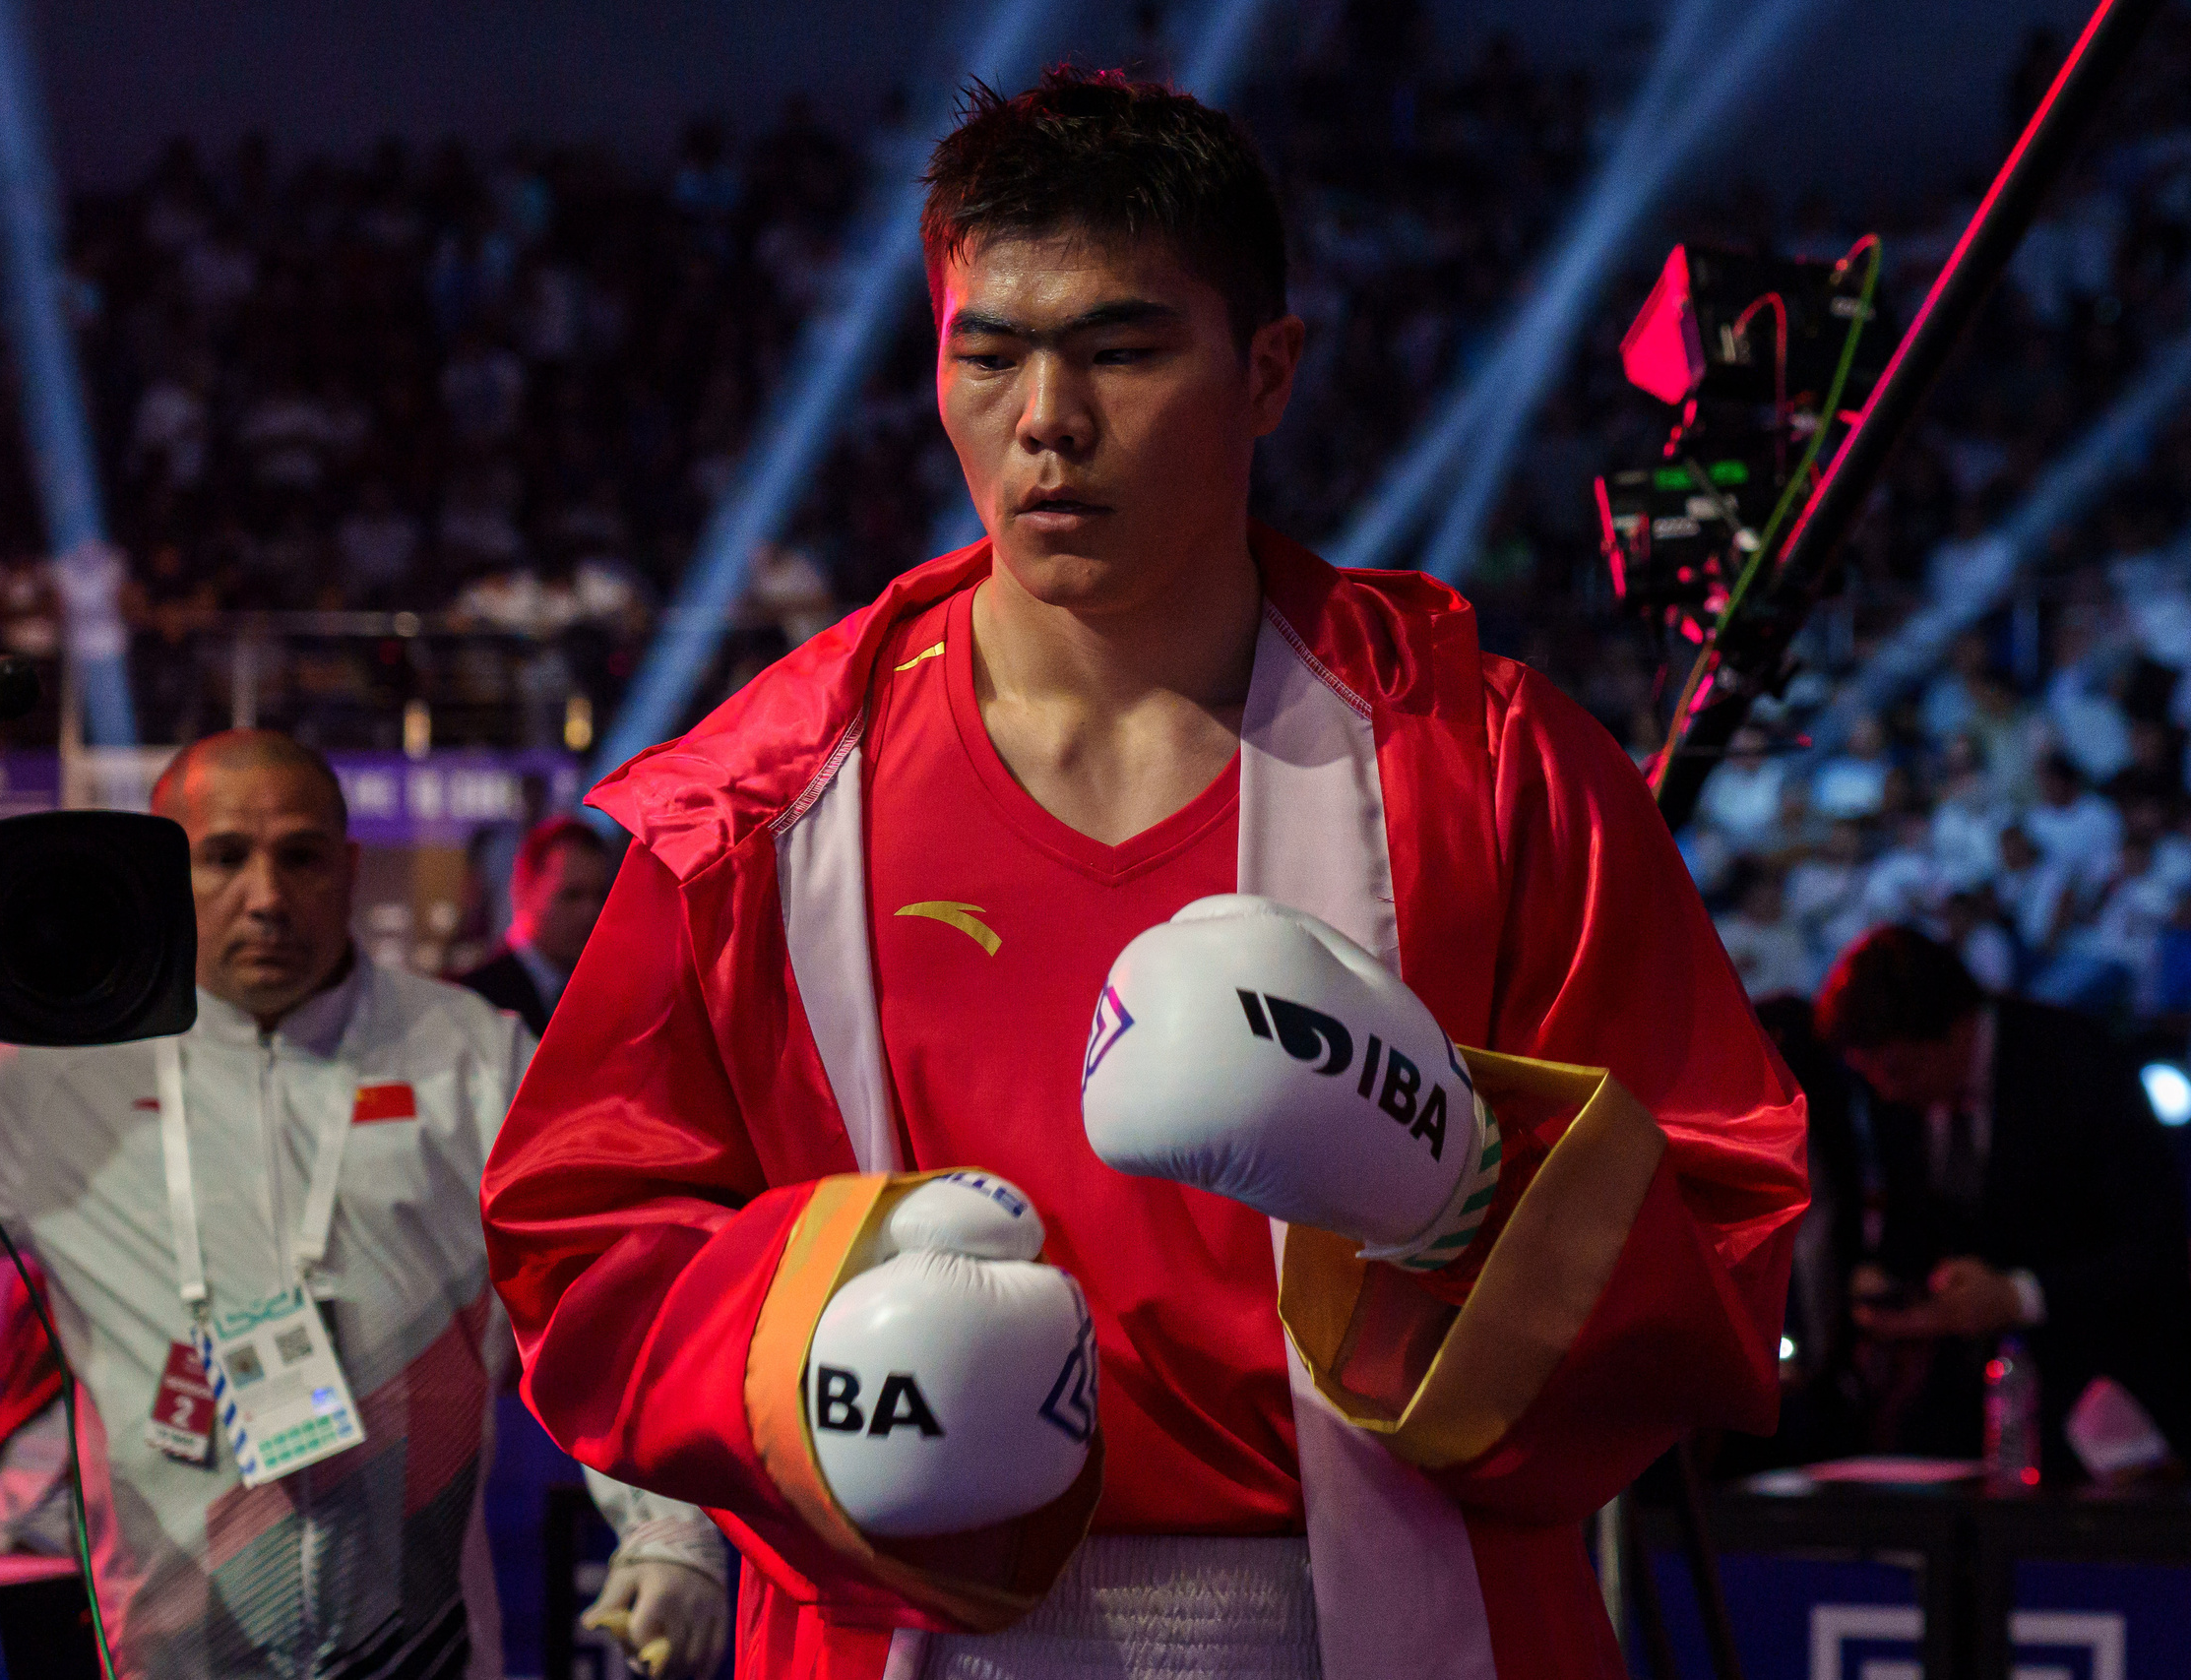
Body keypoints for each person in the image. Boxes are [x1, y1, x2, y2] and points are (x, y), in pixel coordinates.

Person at [483, 72, 1804, 1680]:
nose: (1048, 418)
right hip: (902, 1637)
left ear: (1267, 369)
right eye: (990, 354)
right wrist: (810, 1331)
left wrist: (1468, 1184)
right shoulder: (759, 810)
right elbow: (578, 1244)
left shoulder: (1489, 770)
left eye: (1120, 349)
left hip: (1393, 1626)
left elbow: (1728, 1238)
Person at [0, 730, 723, 1680]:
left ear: (351, 866)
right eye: (224, 857)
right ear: (162, 868)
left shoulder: (473, 1057)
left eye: (301, 856)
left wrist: (666, 1528)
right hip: (168, 1656)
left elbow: (598, 1303)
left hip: (428, 1654)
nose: (268, 898)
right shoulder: (53, 1080)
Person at [1816, 924, 2191, 1478]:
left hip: (2106, 1386)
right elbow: (1918, 1230)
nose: (1887, 1091)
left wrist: (2019, 1296)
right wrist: (1896, 1289)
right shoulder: (1900, 1095)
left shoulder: (2075, 1063)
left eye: (1896, 1070)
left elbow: (2152, 1245)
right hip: (1970, 1396)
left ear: (1958, 1028)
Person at [452, 816, 616, 1036]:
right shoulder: (475, 999)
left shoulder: (609, 1000)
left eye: (601, 896)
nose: (591, 912)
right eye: (571, 895)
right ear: (525, 889)